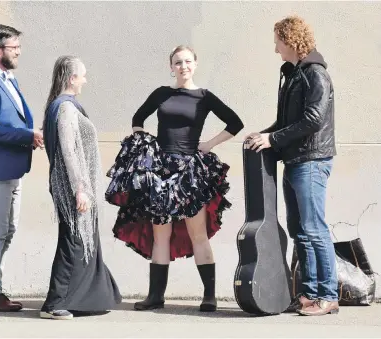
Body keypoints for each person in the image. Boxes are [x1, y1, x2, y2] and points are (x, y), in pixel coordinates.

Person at [105, 46, 244, 312]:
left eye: (188, 61)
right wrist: (141, 142)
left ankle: (209, 296)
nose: (183, 66)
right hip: (159, 171)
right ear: (171, 67)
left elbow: (235, 123)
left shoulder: (204, 97)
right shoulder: (161, 93)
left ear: (195, 64)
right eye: (178, 62)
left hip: (191, 171)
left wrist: (210, 144)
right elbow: (138, 118)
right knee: (161, 235)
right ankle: (155, 296)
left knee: (198, 234)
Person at [246, 15, 338, 316]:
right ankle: (309, 295)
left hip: (311, 161)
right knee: (300, 229)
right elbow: (288, 123)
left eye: (277, 42)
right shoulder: (295, 75)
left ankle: (327, 295)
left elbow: (313, 120)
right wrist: (265, 135)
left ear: (290, 41)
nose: (276, 49)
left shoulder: (315, 74)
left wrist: (273, 138)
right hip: (297, 160)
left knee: (314, 229)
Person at [41, 56, 122, 320]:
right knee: (73, 241)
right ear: (72, 78)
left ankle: (84, 297)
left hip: (73, 187)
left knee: (79, 240)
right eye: (83, 75)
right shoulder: (64, 108)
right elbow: (69, 151)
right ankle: (54, 304)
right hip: (71, 188)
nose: (85, 80)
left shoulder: (61, 106)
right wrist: (79, 188)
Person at [0, 24, 43, 312]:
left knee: (8, 230)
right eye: (14, 48)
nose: (19, 53)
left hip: (12, 169)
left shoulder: (8, 79)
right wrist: (29, 136)